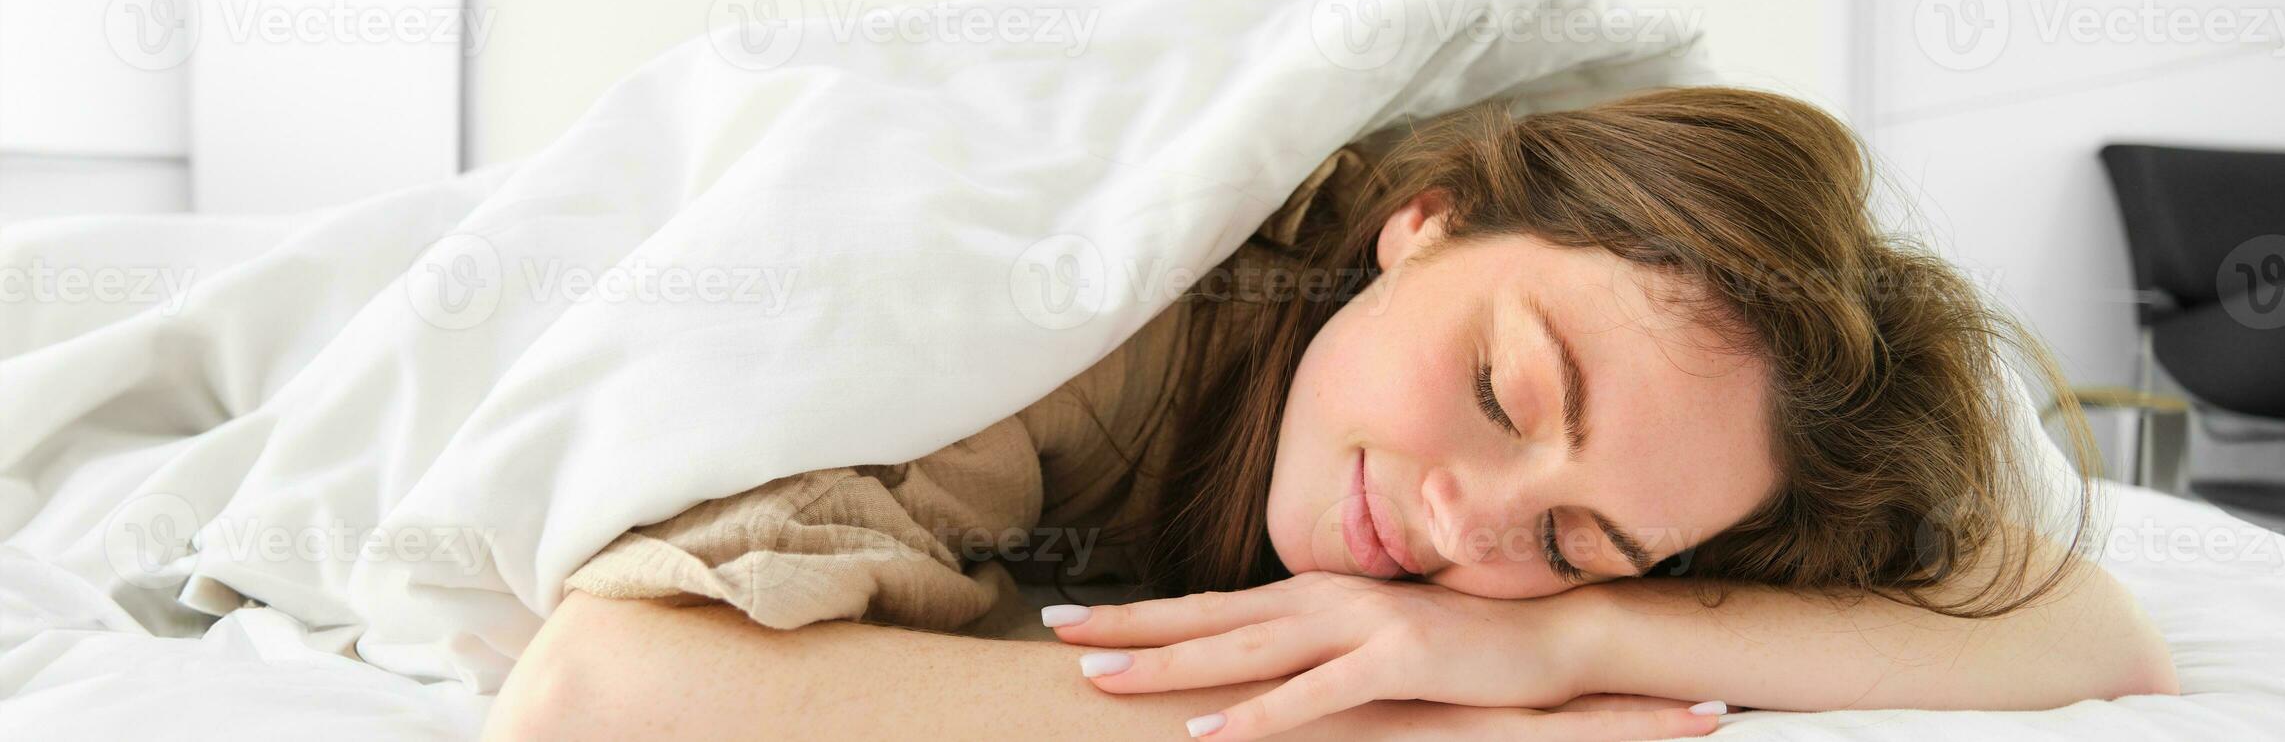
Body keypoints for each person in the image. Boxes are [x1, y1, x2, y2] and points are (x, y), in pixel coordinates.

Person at [487, 86, 2177, 740]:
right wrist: (1389, 726)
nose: (1464, 526)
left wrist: (1563, 644)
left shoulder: (1634, 511)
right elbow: (601, 684)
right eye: (1508, 391)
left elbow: (2088, 630)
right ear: (1423, 219)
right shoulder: (1098, 317)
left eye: (1579, 537)